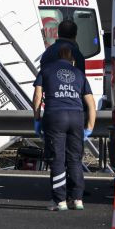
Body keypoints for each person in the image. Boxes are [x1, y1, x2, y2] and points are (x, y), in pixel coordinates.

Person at [31, 42, 96, 210]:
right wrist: (89, 126)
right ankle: (77, 199)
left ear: (56, 58)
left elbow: (38, 96)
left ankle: (60, 200)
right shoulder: (79, 74)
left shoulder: (46, 70)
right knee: (74, 158)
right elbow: (91, 103)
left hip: (55, 116)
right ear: (72, 60)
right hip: (76, 116)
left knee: (57, 159)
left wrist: (37, 119)